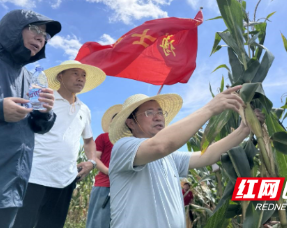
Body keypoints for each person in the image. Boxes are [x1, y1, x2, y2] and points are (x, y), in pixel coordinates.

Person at [108, 86, 265, 228]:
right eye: (149, 113)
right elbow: (160, 145)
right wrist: (210, 108)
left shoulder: (169, 157)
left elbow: (207, 156)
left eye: (160, 112)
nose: (158, 117)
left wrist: (243, 130)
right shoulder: (124, 147)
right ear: (131, 123)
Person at [13, 60, 106, 228]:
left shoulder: (84, 109)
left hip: (65, 180)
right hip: (33, 175)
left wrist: (92, 162)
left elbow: (89, 140)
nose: (81, 79)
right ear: (60, 76)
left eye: (83, 75)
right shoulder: (44, 98)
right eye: (75, 73)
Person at [0, 9, 61, 228]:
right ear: (12, 28)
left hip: (13, 183)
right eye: (35, 29)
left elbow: (36, 126)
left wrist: (45, 113)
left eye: (45, 36)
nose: (41, 38)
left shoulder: (29, 77)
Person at [86, 104, 122, 228]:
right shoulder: (103, 137)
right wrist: (108, 171)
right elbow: (95, 157)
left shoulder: (130, 141)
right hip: (105, 185)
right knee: (99, 222)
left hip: (124, 187)